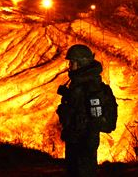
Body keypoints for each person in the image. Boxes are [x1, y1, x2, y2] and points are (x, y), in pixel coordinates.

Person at [56, 44, 117, 177]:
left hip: (83, 141)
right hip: (77, 139)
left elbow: (87, 115)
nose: (70, 66)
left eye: (72, 62)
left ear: (81, 63)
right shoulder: (80, 83)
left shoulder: (88, 86)